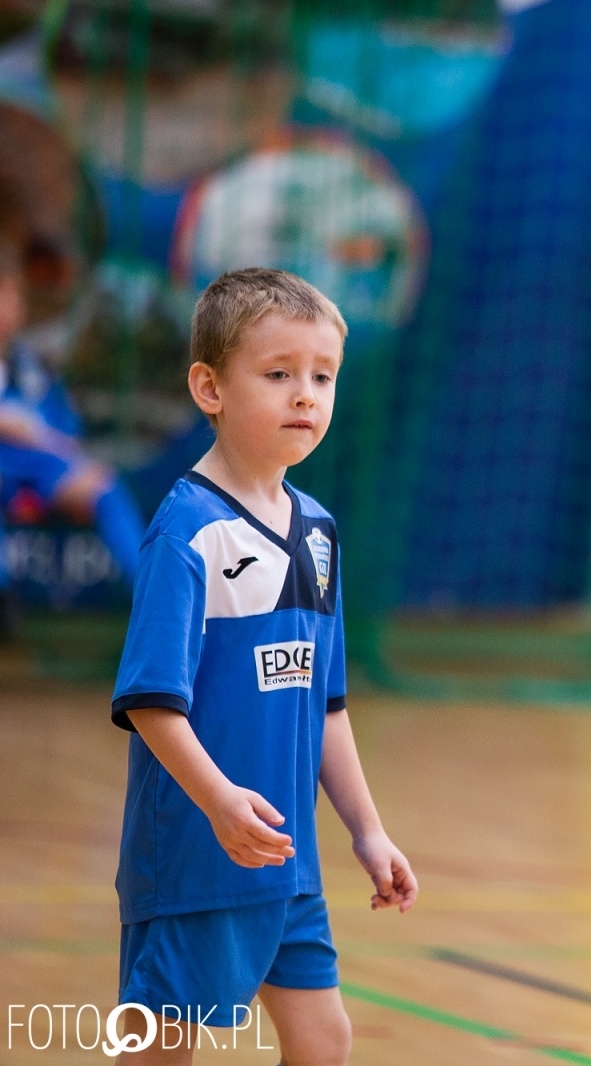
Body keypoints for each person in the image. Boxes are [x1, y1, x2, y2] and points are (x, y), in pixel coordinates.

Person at [109, 267, 418, 1065]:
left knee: (324, 1040)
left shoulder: (318, 531)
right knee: (161, 1048)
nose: (305, 396)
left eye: (322, 377)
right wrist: (218, 805)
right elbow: (151, 704)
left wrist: (368, 830)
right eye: (279, 375)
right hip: (195, 856)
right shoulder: (188, 531)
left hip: (289, 865)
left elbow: (329, 709)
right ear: (208, 387)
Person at [0, 200, 145, 608]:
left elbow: (63, 438)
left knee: (103, 485)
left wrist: (65, 460)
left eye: (12, 298)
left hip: (38, 474)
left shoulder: (30, 367)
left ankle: (155, 601)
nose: (8, 309)